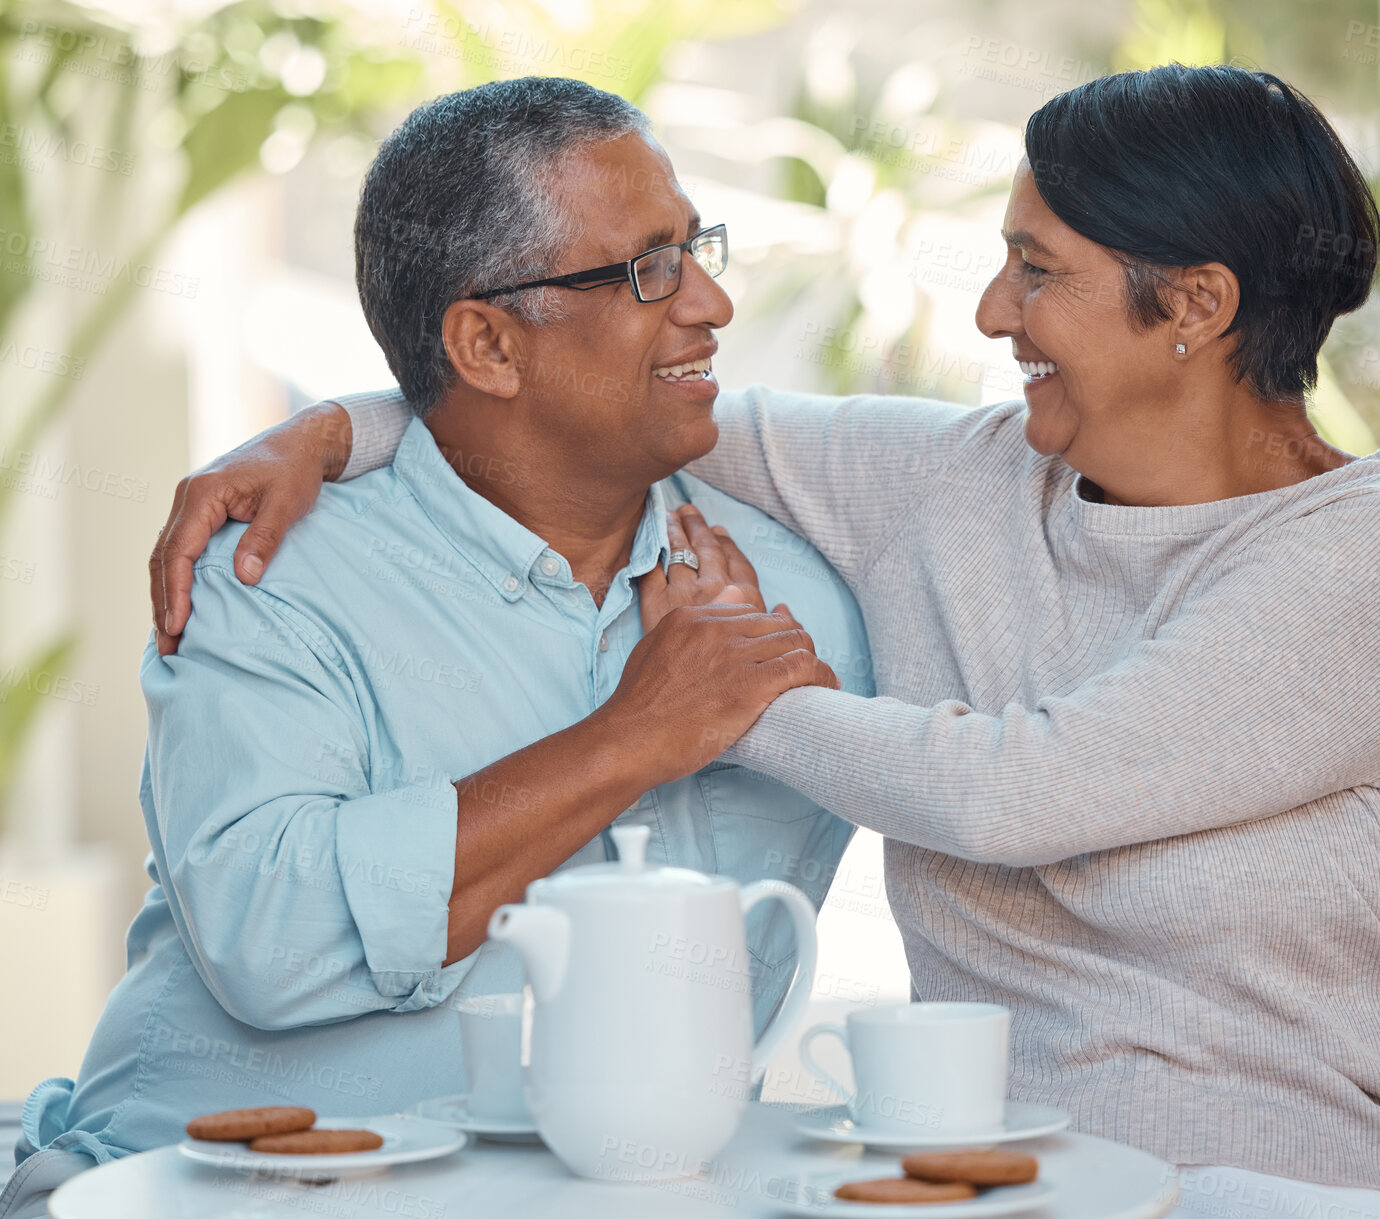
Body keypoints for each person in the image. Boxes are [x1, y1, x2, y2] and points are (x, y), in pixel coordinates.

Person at [143, 69, 1380, 1218]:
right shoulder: (940, 489)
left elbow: (1013, 791)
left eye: (1033, 270)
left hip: (1327, 1188)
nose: (989, 313)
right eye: (653, 266)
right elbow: (560, 407)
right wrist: (325, 429)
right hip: (1002, 1182)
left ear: (1191, 305)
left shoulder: (1374, 546)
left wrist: (718, 696)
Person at [1, 78, 868, 1219]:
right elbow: (272, 936)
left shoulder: (804, 586)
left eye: (696, 245)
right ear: (487, 345)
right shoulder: (270, 573)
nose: (709, 300)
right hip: (194, 1192)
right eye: (647, 267)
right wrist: (636, 734)